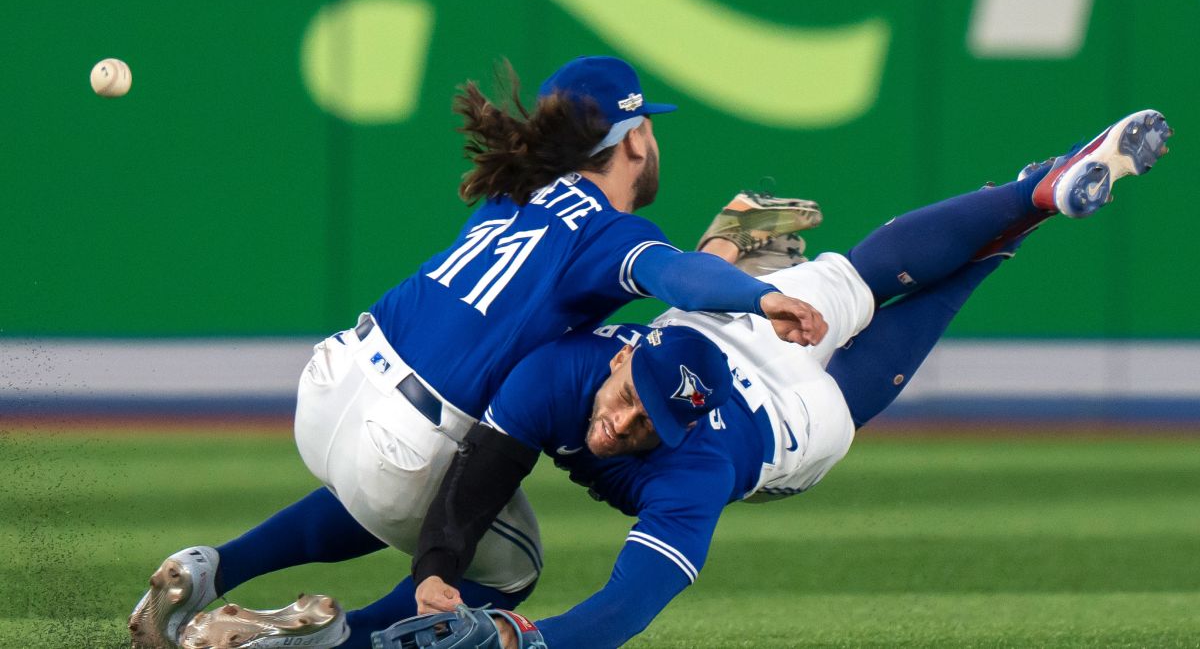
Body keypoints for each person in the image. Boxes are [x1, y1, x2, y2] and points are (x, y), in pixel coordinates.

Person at [382, 109, 1174, 649]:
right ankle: (1027, 195)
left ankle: (1025, 208)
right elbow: (480, 473)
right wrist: (436, 572)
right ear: (621, 353)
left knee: (925, 286)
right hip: (736, 325)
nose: (621, 428)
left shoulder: (695, 465)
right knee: (860, 276)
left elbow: (629, 603)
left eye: (644, 424)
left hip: (797, 416)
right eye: (629, 403)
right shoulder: (568, 369)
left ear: (680, 427)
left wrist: (527, 637)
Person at [127, 55, 825, 649]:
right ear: (636, 138)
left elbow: (677, 276)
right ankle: (330, 640)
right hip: (406, 434)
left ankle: (210, 567)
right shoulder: (606, 233)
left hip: (334, 383)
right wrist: (756, 294)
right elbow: (675, 277)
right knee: (506, 568)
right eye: (648, 127)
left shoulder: (510, 194)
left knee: (401, 493)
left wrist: (726, 247)